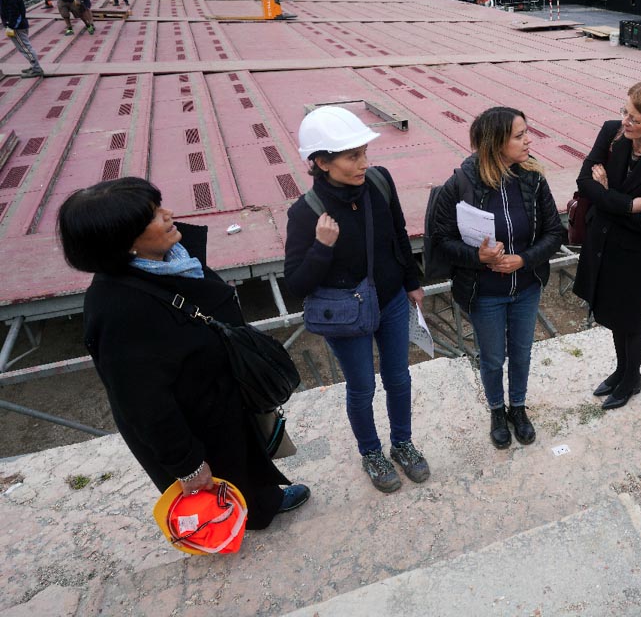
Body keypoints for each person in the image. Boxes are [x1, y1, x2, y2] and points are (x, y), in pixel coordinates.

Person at [57, 177, 310, 529]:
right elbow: (143, 404)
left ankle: (263, 502)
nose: (168, 214)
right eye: (153, 216)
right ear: (123, 243)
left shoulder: (173, 260)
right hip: (193, 422)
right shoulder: (118, 311)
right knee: (219, 480)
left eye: (159, 205)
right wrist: (187, 462)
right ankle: (237, 523)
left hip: (220, 397)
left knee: (245, 461)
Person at [283, 106, 430, 493]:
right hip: (346, 314)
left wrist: (412, 282)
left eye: (364, 152)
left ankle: (402, 443)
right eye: (353, 156)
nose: (364, 162)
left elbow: (398, 234)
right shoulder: (305, 213)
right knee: (362, 386)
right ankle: (371, 452)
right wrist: (321, 247)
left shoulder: (380, 183)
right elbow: (296, 283)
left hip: (393, 299)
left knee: (399, 377)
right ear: (321, 162)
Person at [430, 107, 566, 448]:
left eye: (526, 132)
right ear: (495, 143)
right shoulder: (460, 183)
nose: (528, 140)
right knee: (492, 357)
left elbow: (554, 233)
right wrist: (477, 257)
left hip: (526, 287)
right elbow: (439, 240)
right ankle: (496, 409)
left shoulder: (533, 179)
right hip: (485, 292)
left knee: (521, 353)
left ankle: (517, 407)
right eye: (519, 136)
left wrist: (523, 259)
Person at [573, 81, 641, 410]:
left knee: (632, 322)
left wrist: (605, 192)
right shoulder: (611, 133)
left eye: (635, 118)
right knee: (610, 315)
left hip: (634, 255)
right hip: (602, 244)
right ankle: (621, 371)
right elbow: (583, 182)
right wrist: (624, 203)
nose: (625, 121)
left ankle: (631, 378)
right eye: (625, 111)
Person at [1, 0, 44, 78]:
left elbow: (16, 13)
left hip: (17, 27)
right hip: (17, 25)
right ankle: (34, 65)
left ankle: (36, 69)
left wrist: (11, 26)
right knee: (24, 47)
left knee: (25, 48)